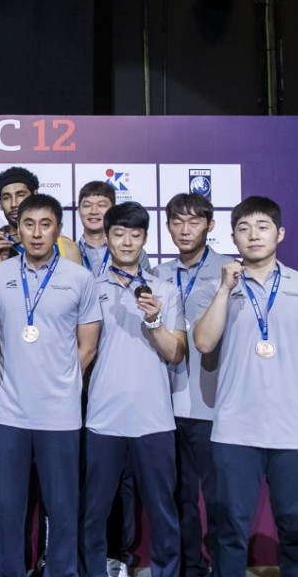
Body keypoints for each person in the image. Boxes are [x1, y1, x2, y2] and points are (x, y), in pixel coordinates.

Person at [0, 193, 100, 577]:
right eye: (28, 225)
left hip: (60, 414)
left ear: (58, 230)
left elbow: (88, 346)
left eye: (45, 224)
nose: (36, 233)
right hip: (10, 412)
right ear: (17, 229)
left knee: (62, 508)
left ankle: (62, 572)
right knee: (10, 505)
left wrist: (63, 384)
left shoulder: (79, 278)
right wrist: (12, 369)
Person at [79, 202, 185, 577]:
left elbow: (175, 353)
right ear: (106, 236)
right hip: (103, 418)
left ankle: (166, 571)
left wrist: (155, 319)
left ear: (145, 238)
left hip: (154, 418)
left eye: (135, 234)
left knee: (163, 510)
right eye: (119, 233)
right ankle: (94, 571)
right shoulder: (88, 286)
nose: (126, 241)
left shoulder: (165, 290)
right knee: (95, 511)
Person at [193, 196, 298, 575]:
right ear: (233, 239)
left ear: (280, 233)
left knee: (294, 527)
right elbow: (203, 343)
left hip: (291, 431)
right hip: (235, 429)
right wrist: (224, 290)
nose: (253, 235)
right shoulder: (220, 288)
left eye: (262, 226)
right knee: (229, 532)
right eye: (243, 228)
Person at [152, 192, 234, 577]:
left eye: (194, 221)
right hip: (166, 405)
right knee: (178, 498)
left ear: (210, 226)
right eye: (177, 222)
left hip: (212, 403)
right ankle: (190, 567)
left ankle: (224, 567)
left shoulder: (230, 274)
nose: (185, 230)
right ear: (167, 226)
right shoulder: (157, 276)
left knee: (219, 499)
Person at [0, 167, 81, 280]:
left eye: (20, 195)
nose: (14, 204)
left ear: (35, 195)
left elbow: (77, 293)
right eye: (6, 197)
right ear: (0, 203)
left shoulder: (66, 248)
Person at [76, 181, 152, 278]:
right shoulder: (67, 251)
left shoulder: (133, 251)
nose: (94, 211)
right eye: (87, 205)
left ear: (112, 209)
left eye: (101, 205)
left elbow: (146, 286)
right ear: (79, 210)